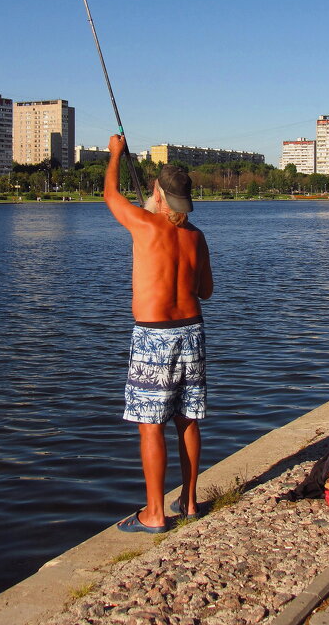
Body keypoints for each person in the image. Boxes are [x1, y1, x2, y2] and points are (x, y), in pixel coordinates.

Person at [104, 134, 213, 533]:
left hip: (153, 336)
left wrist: (116, 154)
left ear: (157, 193)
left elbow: (111, 195)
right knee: (188, 419)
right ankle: (188, 502)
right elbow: (206, 291)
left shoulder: (144, 223)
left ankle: (154, 513)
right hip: (192, 332)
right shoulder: (197, 236)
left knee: (151, 425)